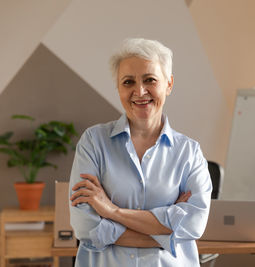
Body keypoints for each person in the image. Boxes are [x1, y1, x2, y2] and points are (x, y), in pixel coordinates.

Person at [69, 38, 212, 267]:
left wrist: (111, 211)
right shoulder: (93, 143)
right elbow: (86, 227)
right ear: (118, 88)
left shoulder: (189, 153)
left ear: (169, 84)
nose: (140, 91)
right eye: (128, 82)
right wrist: (166, 230)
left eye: (150, 80)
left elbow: (193, 225)